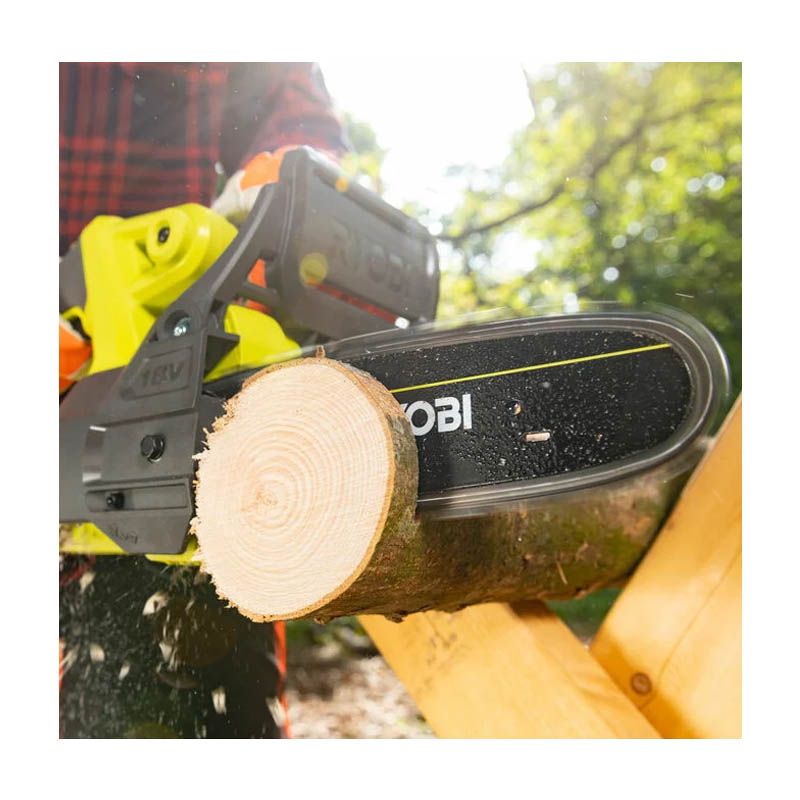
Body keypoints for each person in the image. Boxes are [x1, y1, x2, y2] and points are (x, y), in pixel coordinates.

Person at [59, 62, 348, 738]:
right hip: (84, 303)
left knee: (200, 706)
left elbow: (291, 105)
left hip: (167, 349)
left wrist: (287, 177)